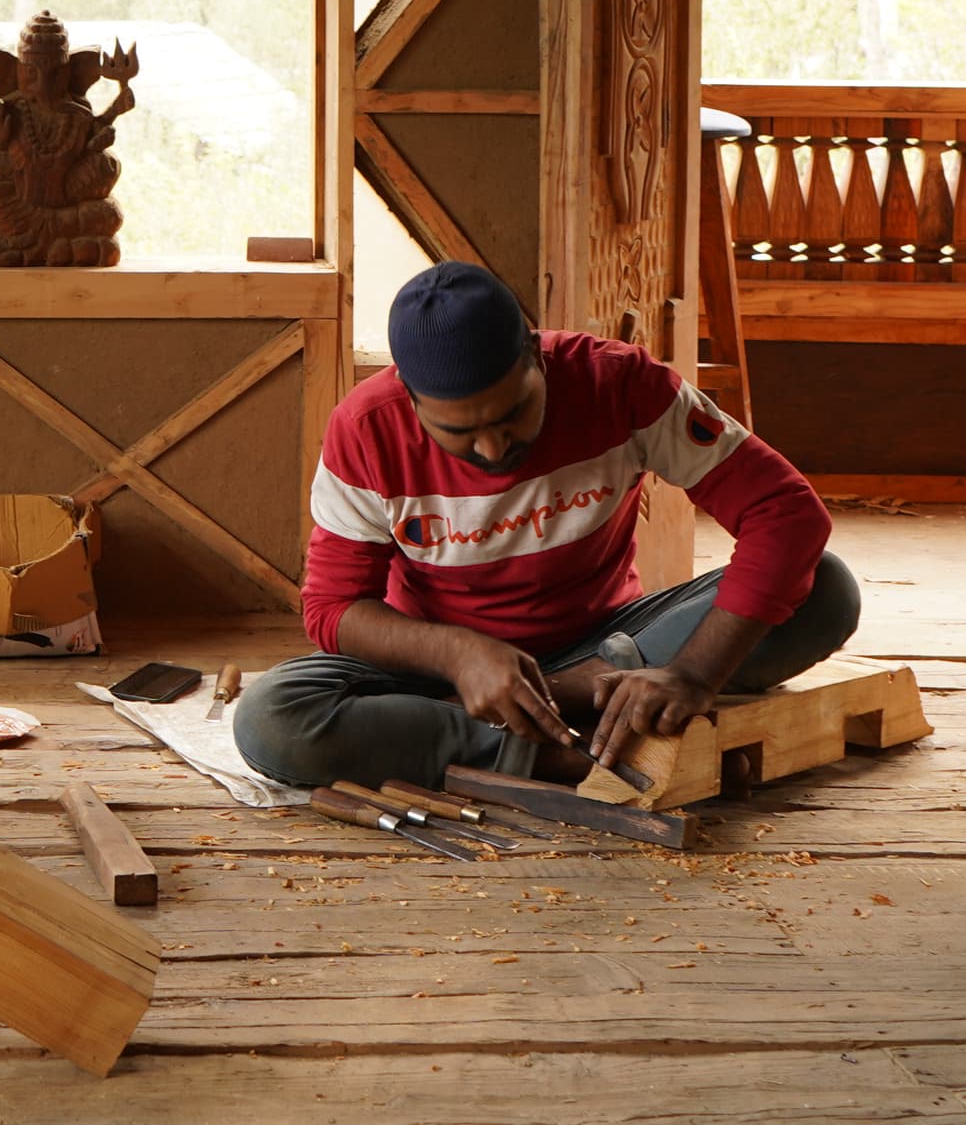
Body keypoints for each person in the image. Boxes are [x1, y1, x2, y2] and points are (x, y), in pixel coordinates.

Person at [233, 261, 859, 797]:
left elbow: (786, 512)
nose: (493, 446)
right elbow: (333, 609)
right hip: (438, 669)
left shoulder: (621, 385)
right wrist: (461, 654)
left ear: (536, 354)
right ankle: (572, 750)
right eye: (459, 433)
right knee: (272, 719)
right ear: (409, 395)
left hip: (609, 646)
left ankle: (526, 712)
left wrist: (693, 674)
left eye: (512, 415)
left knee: (825, 589)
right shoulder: (366, 430)